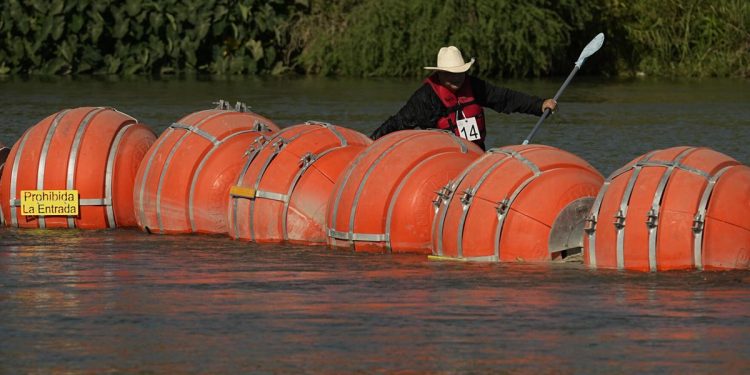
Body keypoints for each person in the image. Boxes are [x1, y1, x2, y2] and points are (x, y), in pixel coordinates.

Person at [370, 46, 557, 150]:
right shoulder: (426, 97)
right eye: (450, 74)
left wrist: (538, 105)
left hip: (475, 157)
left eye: (460, 73)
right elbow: (399, 123)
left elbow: (505, 98)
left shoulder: (473, 86)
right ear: (439, 73)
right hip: (444, 161)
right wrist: (370, 144)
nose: (456, 78)